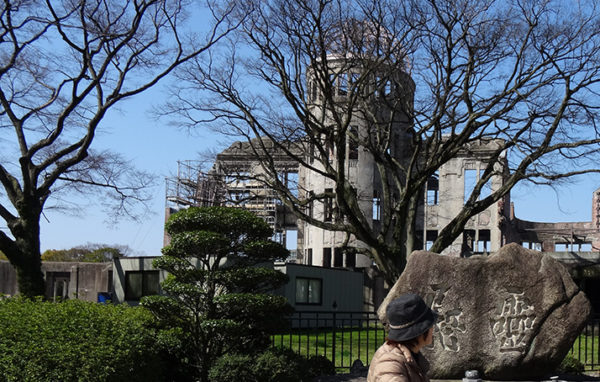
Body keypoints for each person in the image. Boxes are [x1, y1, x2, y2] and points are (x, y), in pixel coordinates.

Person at [367, 293, 438, 382]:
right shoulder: (390, 364)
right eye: (429, 325)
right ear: (420, 332)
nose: (432, 328)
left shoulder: (410, 355)